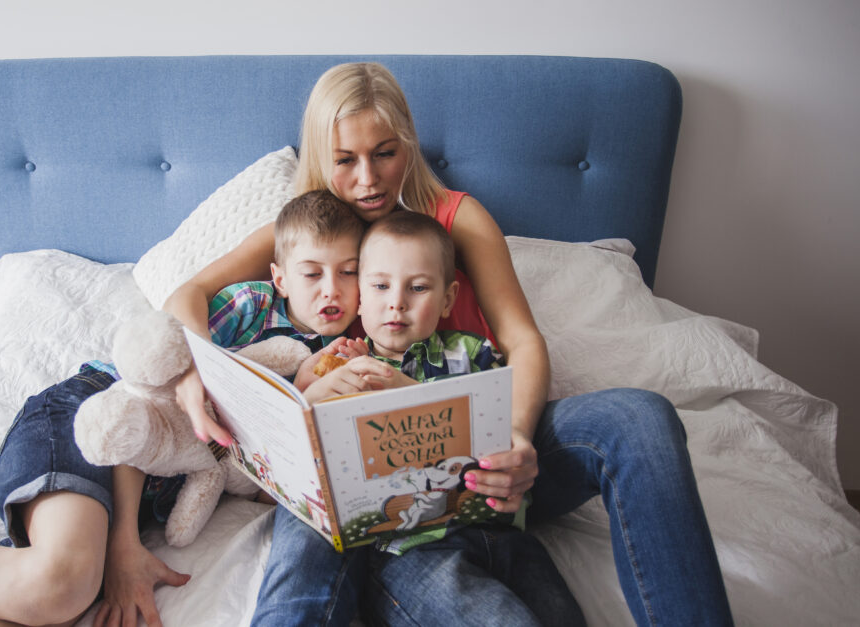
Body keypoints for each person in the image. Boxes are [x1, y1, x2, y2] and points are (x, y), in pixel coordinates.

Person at [165, 62, 734, 625]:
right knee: (309, 533)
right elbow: (186, 294)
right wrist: (198, 368)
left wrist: (515, 437)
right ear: (321, 157)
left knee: (640, 418)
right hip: (363, 475)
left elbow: (523, 341)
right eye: (345, 160)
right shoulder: (307, 238)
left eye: (384, 152)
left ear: (408, 146)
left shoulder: (457, 220)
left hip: (483, 456)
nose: (368, 179)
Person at [0, 190, 367, 627]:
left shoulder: (341, 356)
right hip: (88, 418)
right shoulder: (249, 309)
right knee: (61, 585)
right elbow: (139, 407)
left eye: (348, 273)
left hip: (143, 490)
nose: (332, 290)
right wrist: (122, 547)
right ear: (280, 278)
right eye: (312, 273)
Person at [253, 209, 585, 627]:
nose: (396, 302)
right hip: (414, 544)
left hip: (504, 534)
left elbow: (495, 421)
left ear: (447, 298)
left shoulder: (474, 353)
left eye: (419, 288)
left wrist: (405, 388)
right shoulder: (343, 368)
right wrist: (315, 395)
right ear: (360, 293)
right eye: (379, 285)